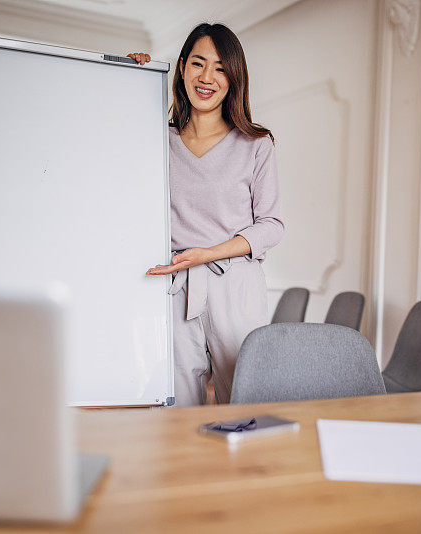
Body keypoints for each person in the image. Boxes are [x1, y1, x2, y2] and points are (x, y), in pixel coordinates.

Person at [128, 23, 284, 407]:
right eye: (198, 63)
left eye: (220, 68)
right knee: (180, 400)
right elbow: (109, 143)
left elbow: (271, 226)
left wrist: (207, 253)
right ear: (181, 68)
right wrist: (131, 82)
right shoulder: (155, 140)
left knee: (245, 399)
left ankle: (246, 468)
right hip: (177, 284)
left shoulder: (255, 144)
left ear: (233, 79)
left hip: (236, 283)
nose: (207, 77)